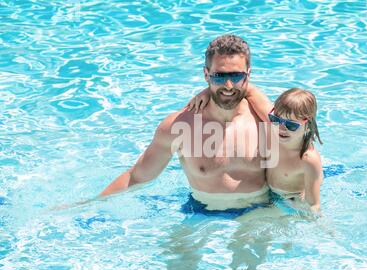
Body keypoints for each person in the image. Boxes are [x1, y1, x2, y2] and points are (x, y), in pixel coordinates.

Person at [99, 34, 271, 211]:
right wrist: (90, 205)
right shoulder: (179, 126)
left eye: (236, 76)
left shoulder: (267, 121)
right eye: (219, 76)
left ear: (248, 75)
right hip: (200, 212)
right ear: (206, 74)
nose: (228, 85)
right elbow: (137, 177)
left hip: (257, 213)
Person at [188, 86, 324, 213]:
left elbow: (313, 205)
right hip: (266, 194)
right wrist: (207, 92)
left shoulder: (307, 159)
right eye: (275, 119)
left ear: (308, 125)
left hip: (289, 201)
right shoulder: (273, 127)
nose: (281, 128)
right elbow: (246, 88)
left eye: (291, 125)